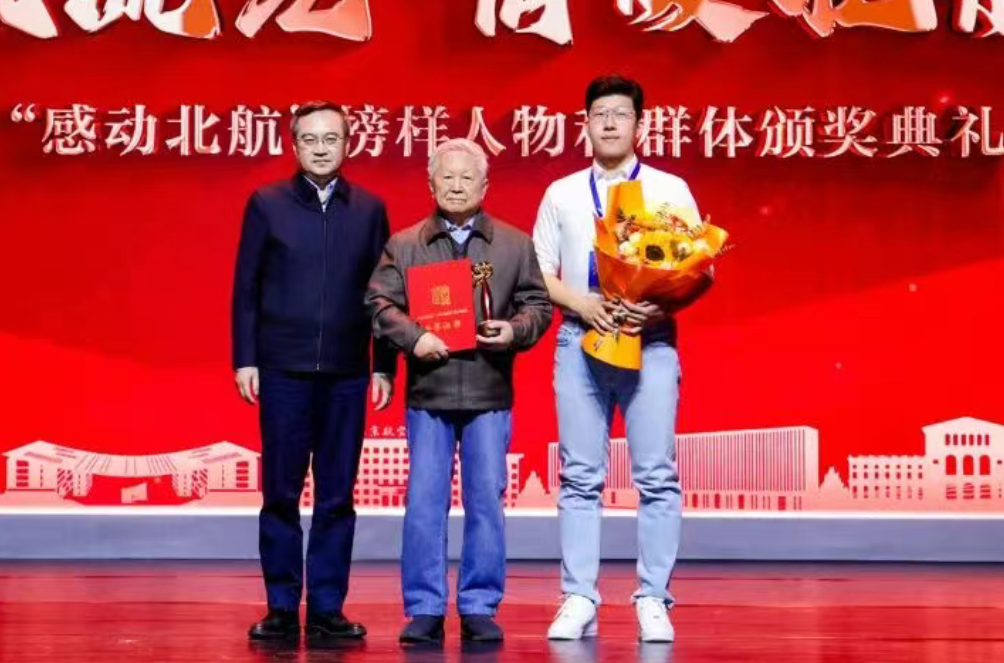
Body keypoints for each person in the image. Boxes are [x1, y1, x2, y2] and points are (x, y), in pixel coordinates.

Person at [532, 75, 713, 643]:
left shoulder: (669, 188)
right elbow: (539, 271)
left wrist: (656, 307)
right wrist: (582, 303)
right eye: (599, 113)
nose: (609, 123)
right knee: (580, 476)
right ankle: (578, 597)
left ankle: (653, 597)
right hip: (579, 341)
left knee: (656, 475)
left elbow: (700, 268)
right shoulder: (562, 192)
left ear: (640, 124)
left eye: (621, 113)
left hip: (650, 342)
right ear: (585, 124)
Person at [367, 138, 552, 644]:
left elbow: (538, 305)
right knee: (424, 502)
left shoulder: (514, 244)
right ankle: (424, 607)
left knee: (486, 500)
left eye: (466, 177)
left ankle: (479, 604)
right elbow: (379, 304)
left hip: (489, 393)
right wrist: (415, 337)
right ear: (430, 184)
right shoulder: (405, 244)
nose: (456, 185)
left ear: (485, 185)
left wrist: (514, 330)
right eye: (446, 177)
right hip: (429, 392)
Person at [232, 100, 396, 642]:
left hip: (348, 373)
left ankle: (327, 606)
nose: (321, 149)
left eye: (331, 139)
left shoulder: (369, 209)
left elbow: (384, 295)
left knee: (336, 495)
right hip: (283, 369)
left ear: (348, 143)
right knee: (280, 492)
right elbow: (246, 287)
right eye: (310, 139)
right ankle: (281, 605)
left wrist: (383, 366)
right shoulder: (267, 203)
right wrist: (246, 358)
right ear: (294, 144)